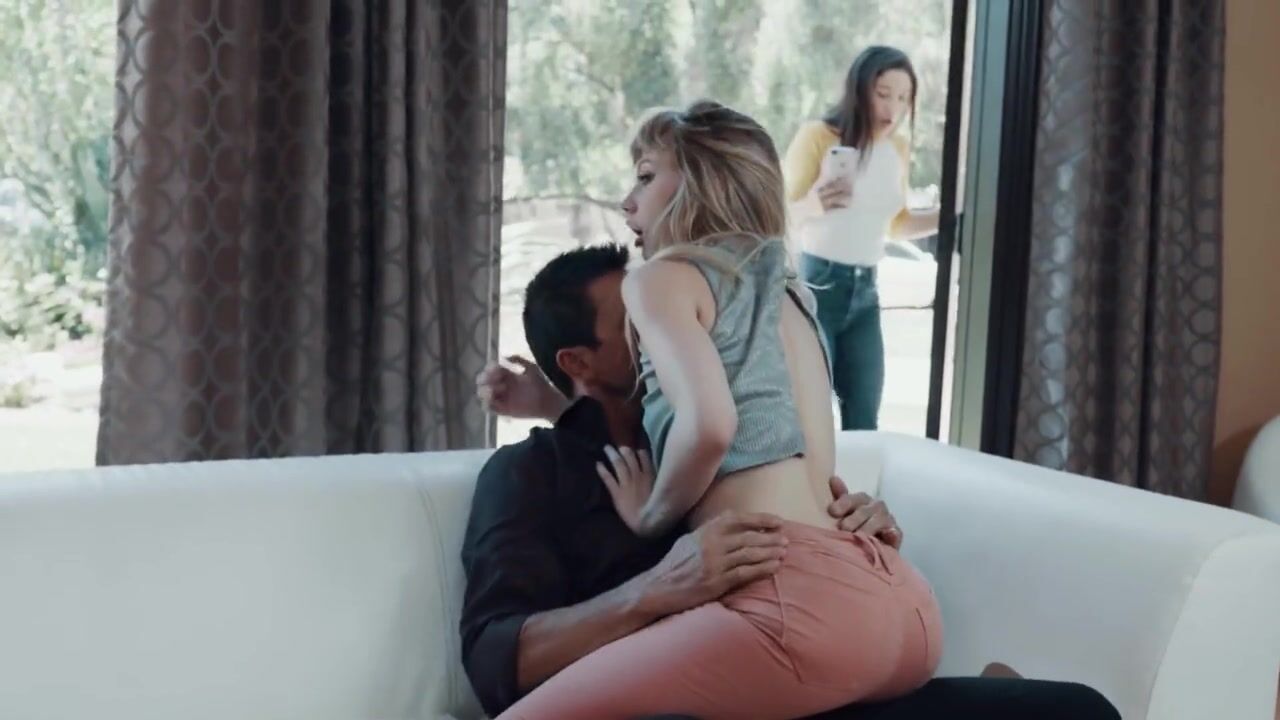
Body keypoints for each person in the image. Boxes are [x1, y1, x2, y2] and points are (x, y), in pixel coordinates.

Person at [465, 243, 1118, 720]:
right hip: (674, 710)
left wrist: (850, 534)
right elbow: (496, 658)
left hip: (800, 688)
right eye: (633, 326)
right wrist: (653, 592)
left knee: (1078, 711)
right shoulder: (529, 474)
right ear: (578, 361)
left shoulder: (722, 452)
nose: (663, 331)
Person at [783, 46, 940, 431]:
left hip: (867, 292)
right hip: (818, 286)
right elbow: (778, 216)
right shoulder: (817, 137)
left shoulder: (897, 148)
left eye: (903, 98)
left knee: (864, 419)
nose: (893, 108)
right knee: (810, 418)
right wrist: (816, 202)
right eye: (883, 94)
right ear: (860, 90)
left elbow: (897, 225)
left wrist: (957, 213)